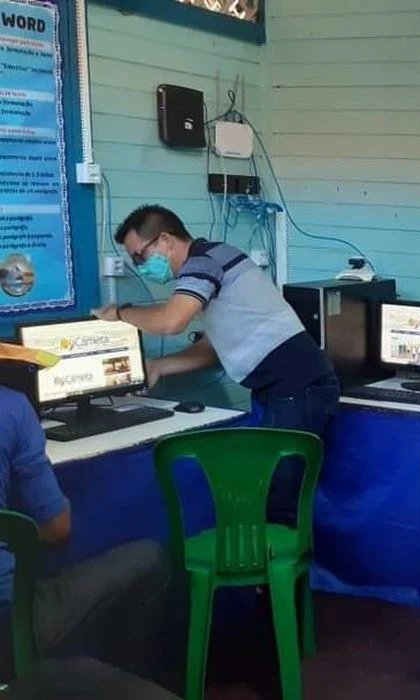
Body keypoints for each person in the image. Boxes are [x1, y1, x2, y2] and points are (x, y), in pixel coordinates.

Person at [95, 204, 339, 525]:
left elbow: (171, 322)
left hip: (295, 386)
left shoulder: (203, 263)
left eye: (140, 256)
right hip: (288, 387)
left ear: (165, 240)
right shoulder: (213, 260)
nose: (141, 267)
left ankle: (283, 559)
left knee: (279, 498)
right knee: (277, 491)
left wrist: (120, 313)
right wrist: (159, 367)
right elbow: (212, 350)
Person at [0, 348, 172, 681]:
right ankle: (120, 684)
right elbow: (58, 529)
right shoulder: (12, 408)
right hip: (7, 627)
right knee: (149, 559)